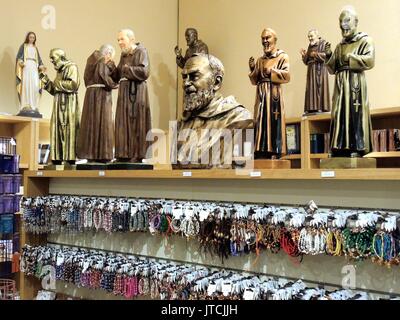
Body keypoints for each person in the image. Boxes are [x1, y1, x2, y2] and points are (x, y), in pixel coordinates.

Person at [172, 53, 253, 168]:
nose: (186, 83)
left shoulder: (239, 119)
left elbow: (241, 174)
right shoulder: (182, 123)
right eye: (184, 77)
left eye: (194, 76)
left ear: (216, 82)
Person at [325, 6, 375, 158]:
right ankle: (339, 147)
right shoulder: (340, 45)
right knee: (338, 115)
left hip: (355, 85)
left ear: (356, 22)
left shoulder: (365, 40)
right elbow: (332, 68)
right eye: (341, 21)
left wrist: (351, 58)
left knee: (355, 115)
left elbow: (370, 61)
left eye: (347, 20)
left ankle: (357, 148)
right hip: (340, 86)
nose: (343, 24)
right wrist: (328, 56)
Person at [249, 28, 290, 159]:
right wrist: (252, 69)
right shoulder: (260, 60)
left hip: (273, 95)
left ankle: (275, 150)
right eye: (263, 38)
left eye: (268, 38)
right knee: (260, 121)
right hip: (261, 94)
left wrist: (272, 71)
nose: (265, 41)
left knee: (274, 122)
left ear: (275, 40)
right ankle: (261, 150)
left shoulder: (282, 57)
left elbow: (287, 76)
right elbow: (255, 80)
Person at [112, 29, 151, 163]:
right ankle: (123, 153)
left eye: (122, 39)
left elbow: (145, 71)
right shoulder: (123, 55)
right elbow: (118, 74)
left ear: (131, 39)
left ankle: (136, 153)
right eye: (118, 40)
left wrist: (127, 70)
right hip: (124, 94)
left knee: (135, 122)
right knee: (122, 123)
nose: (119, 42)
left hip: (137, 93)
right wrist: (110, 66)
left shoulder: (141, 51)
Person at [77, 45, 118, 163]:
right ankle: (100, 154)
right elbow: (103, 75)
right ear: (108, 53)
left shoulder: (93, 59)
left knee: (96, 123)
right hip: (100, 94)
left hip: (94, 94)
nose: (110, 59)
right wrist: (113, 84)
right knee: (101, 123)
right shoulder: (99, 58)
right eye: (110, 56)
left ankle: (94, 154)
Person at [40, 49, 80, 165]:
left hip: (68, 104)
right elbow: (54, 90)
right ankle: (57, 158)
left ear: (61, 57)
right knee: (56, 129)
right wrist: (45, 80)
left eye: (53, 58)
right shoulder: (59, 70)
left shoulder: (71, 67)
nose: (51, 60)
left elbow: (73, 84)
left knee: (68, 129)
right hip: (58, 105)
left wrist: (57, 83)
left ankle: (69, 158)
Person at [16, 31, 46, 117]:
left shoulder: (35, 48)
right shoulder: (23, 46)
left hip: (34, 67)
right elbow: (19, 57)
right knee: (26, 84)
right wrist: (20, 61)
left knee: (34, 85)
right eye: (30, 37)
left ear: (35, 39)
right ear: (28, 38)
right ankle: (26, 104)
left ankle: (34, 105)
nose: (32, 39)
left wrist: (41, 66)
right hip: (26, 66)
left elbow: (39, 60)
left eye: (33, 37)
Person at [301, 29, 330, 114]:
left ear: (317, 35)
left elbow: (327, 56)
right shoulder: (310, 46)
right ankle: (312, 108)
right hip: (311, 71)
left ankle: (321, 107)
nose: (310, 38)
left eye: (311, 36)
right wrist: (304, 56)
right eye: (309, 36)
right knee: (311, 90)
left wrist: (316, 55)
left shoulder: (323, 43)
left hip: (320, 70)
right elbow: (307, 61)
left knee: (319, 89)